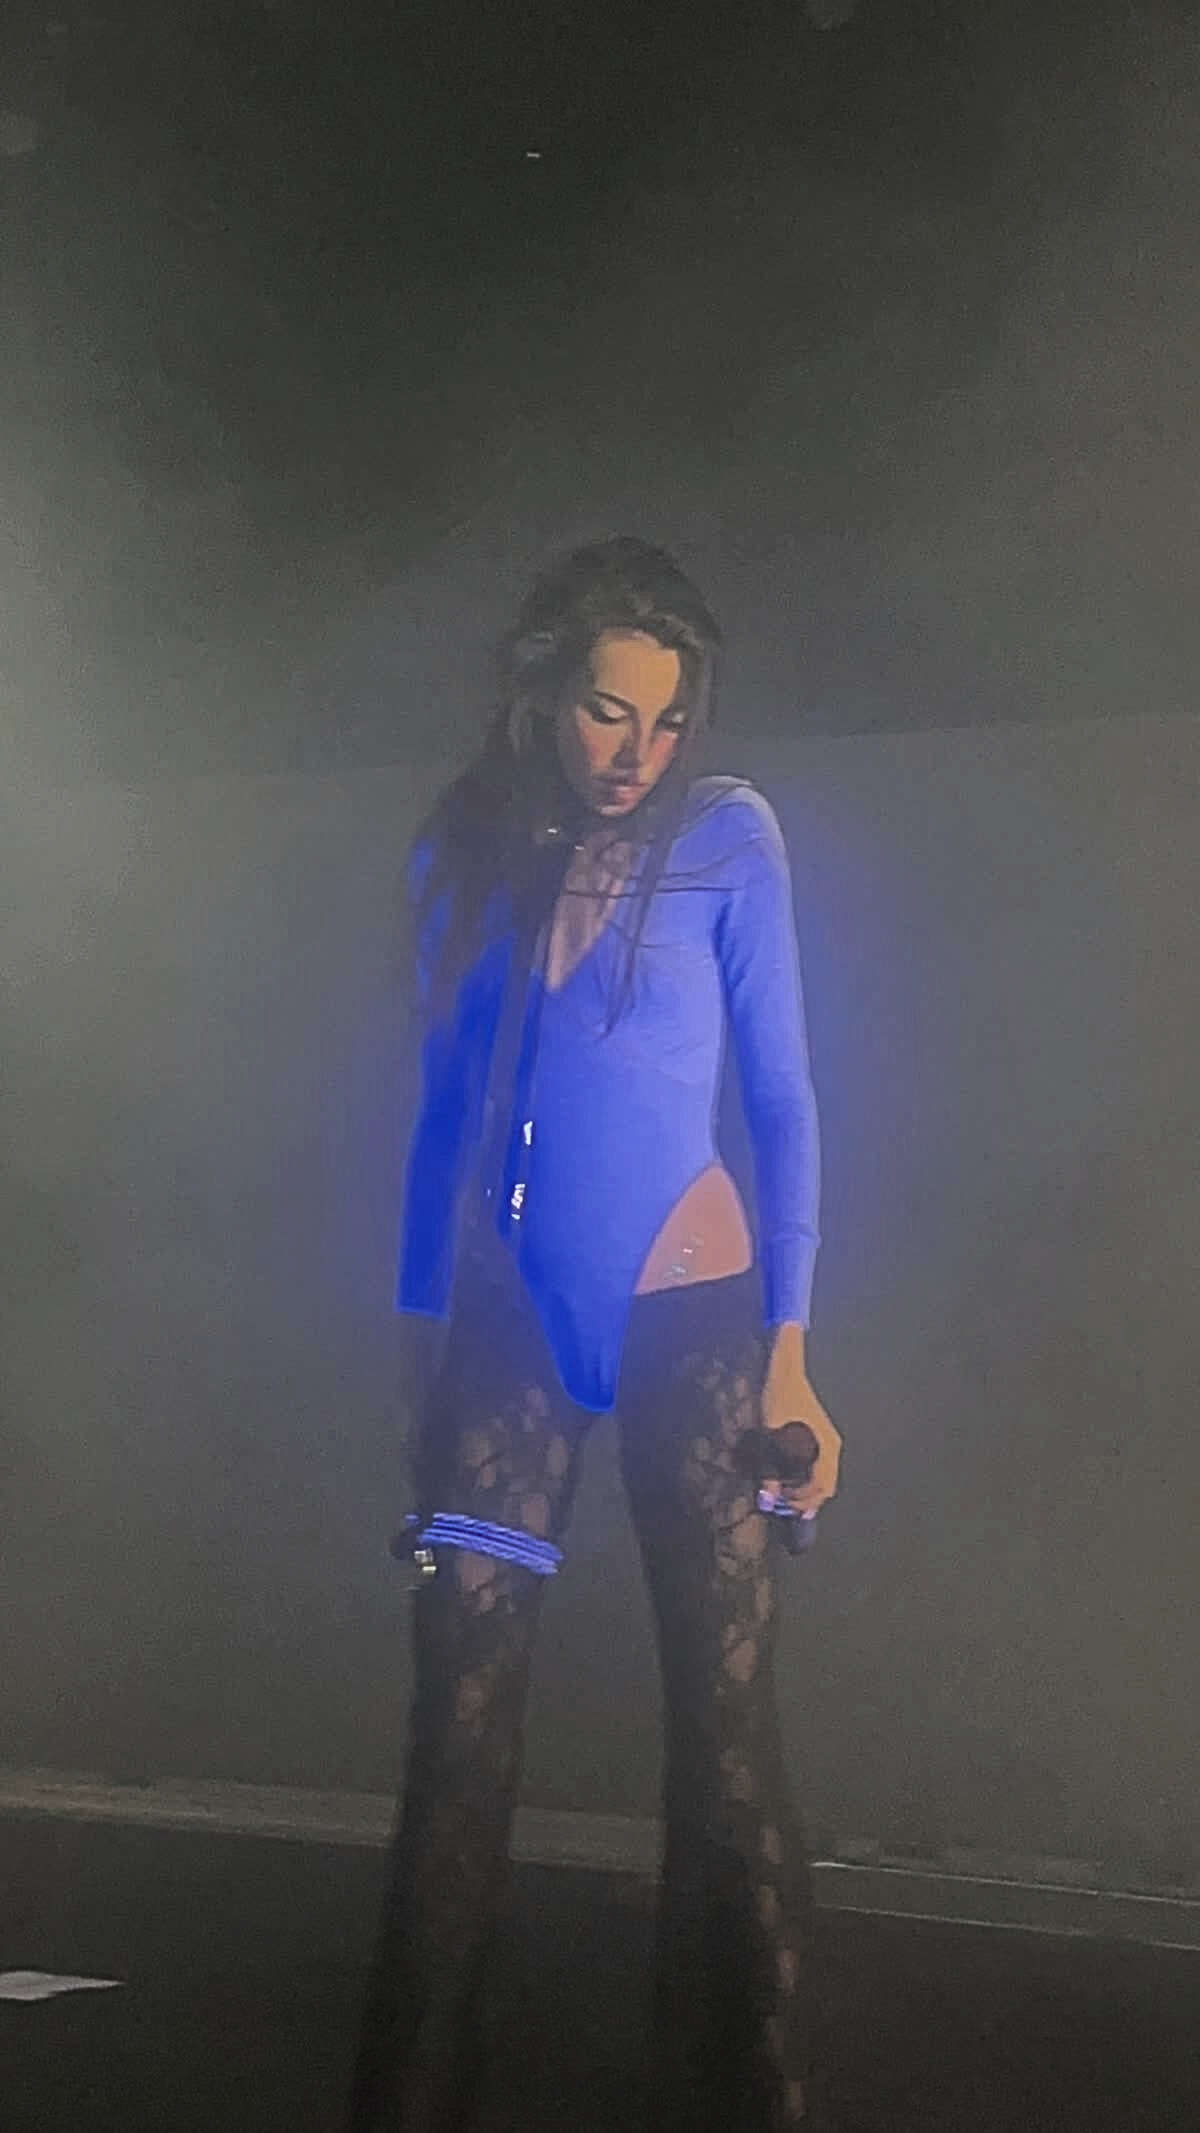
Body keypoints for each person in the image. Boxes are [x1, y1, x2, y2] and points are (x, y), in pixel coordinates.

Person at [349, 536, 841, 2132]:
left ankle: (753, 2105)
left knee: (727, 1743)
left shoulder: (731, 837)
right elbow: (439, 1121)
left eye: (667, 718)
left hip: (697, 1307)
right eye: (607, 711)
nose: (637, 751)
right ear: (544, 695)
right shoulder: (467, 851)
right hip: (510, 1325)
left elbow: (783, 1100)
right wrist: (415, 1352)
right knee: (458, 1736)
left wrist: (792, 1352)